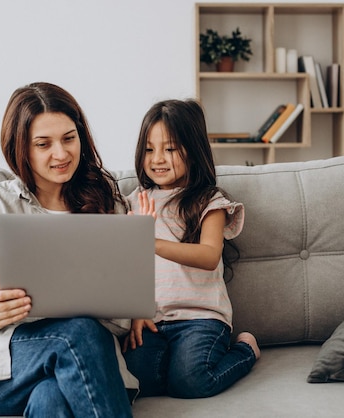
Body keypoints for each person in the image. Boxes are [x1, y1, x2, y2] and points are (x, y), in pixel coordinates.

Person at [0, 82, 135, 418]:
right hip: (5, 366)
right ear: (21, 149)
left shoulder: (109, 206)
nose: (61, 153)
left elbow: (122, 313)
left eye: (69, 138)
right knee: (77, 332)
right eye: (44, 144)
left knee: (51, 398)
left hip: (88, 363)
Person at [121, 99, 260, 399]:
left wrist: (152, 241)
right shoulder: (133, 202)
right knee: (138, 381)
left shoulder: (208, 202)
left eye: (169, 149)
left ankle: (246, 349)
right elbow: (126, 268)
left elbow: (209, 256)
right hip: (153, 320)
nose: (157, 158)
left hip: (201, 317)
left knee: (192, 381)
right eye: (149, 149)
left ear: (193, 151)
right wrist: (134, 311)